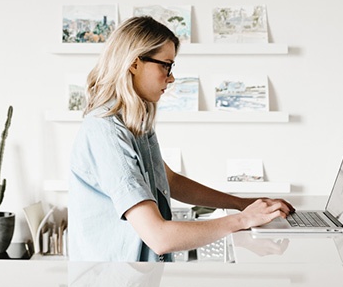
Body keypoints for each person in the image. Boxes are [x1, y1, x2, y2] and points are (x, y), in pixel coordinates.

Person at [68, 16, 294, 262]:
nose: (171, 77)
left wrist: (242, 203)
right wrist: (243, 220)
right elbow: (159, 237)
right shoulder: (107, 132)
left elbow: (170, 181)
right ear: (134, 64)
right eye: (166, 65)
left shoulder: (135, 122)